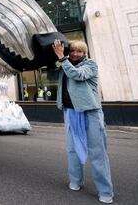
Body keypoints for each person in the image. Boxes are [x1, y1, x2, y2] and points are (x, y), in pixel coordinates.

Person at [52, 39, 114, 204]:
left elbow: (77, 75)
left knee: (97, 152)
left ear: (84, 53)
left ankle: (106, 191)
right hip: (71, 112)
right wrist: (58, 56)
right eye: (72, 50)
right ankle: (76, 180)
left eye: (79, 51)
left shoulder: (91, 65)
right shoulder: (64, 64)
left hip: (90, 113)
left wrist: (61, 57)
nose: (75, 54)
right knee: (72, 150)